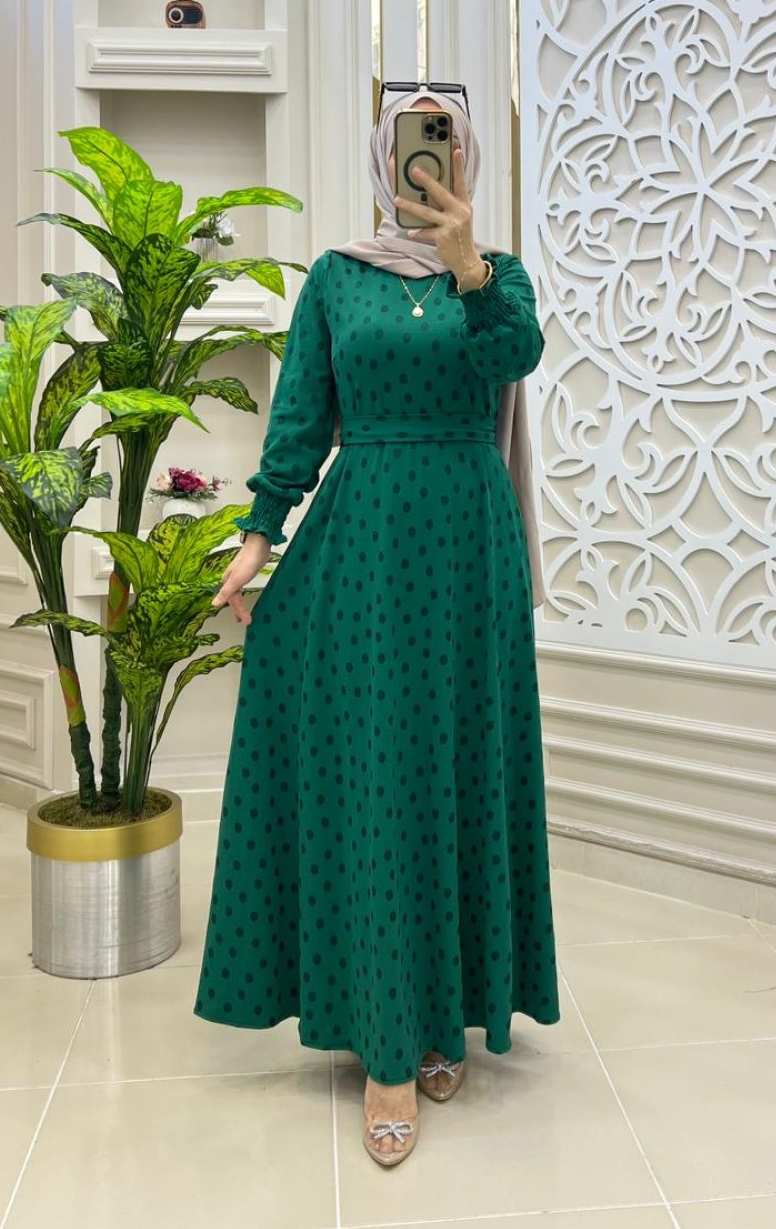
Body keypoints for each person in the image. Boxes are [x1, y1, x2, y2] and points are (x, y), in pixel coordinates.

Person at [193, 87, 560, 1168]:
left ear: (467, 160)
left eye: (444, 144)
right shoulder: (335, 276)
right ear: (382, 159)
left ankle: (446, 1013)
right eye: (413, 144)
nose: (427, 163)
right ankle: (389, 1044)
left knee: (457, 770)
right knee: (379, 778)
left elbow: (514, 356)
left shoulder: (499, 275)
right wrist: (257, 535)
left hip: (468, 550)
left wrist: (467, 262)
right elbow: (301, 414)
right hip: (363, 545)